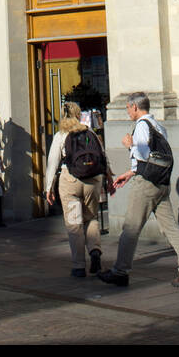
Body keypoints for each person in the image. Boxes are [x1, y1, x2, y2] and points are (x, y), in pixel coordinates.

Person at [97, 91, 179, 288]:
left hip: (146, 184)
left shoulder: (142, 125)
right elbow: (154, 157)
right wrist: (130, 172)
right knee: (171, 227)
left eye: (127, 108)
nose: (127, 111)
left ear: (135, 107)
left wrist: (129, 145)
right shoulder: (158, 126)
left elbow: (143, 154)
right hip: (161, 183)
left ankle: (120, 271)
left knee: (131, 228)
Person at [45, 101, 115, 277]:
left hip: (70, 180)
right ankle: (95, 252)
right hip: (93, 180)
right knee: (91, 218)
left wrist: (49, 188)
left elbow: (53, 162)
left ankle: (78, 266)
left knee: (74, 223)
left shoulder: (61, 135)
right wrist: (109, 177)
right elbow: (103, 155)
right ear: (78, 115)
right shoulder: (89, 131)